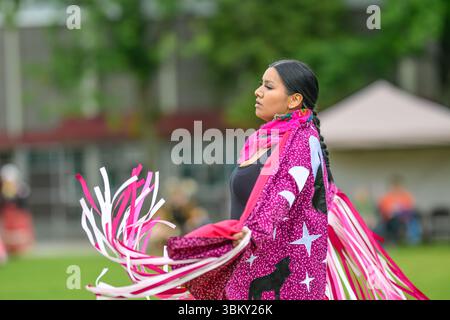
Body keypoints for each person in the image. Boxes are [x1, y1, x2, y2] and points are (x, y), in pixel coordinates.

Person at [77, 59, 427, 300]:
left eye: (267, 86)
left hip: (282, 276)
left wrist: (248, 235)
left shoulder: (303, 140)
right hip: (246, 266)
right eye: (260, 84)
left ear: (293, 99)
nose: (257, 92)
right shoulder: (260, 139)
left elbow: (284, 194)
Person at [378, 175, 422, 245]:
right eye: (395, 186)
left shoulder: (406, 195)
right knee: (394, 221)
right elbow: (383, 210)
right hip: (390, 219)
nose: (397, 188)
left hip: (405, 217)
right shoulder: (387, 197)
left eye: (398, 186)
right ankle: (395, 240)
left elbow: (410, 207)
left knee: (415, 218)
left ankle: (414, 239)